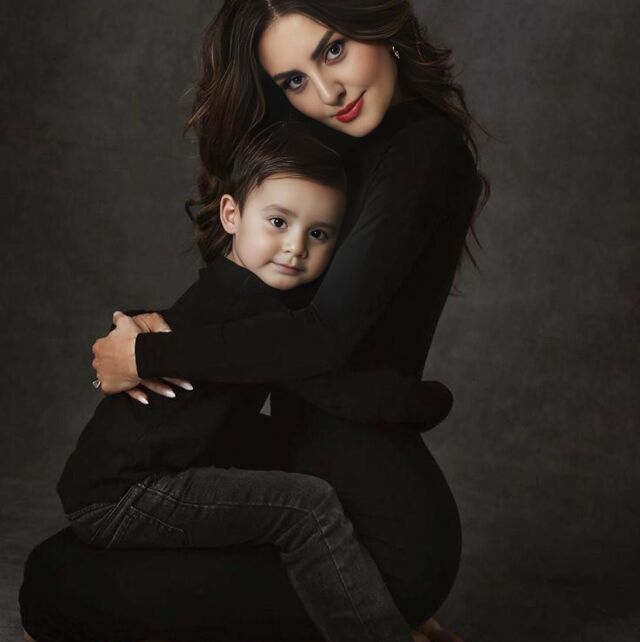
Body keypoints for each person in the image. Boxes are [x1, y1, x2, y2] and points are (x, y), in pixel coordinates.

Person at [20, 2, 489, 641]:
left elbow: (321, 338)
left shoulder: (423, 150)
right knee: (61, 566)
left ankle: (379, 610)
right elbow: (257, 315)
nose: (328, 91)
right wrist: (146, 333)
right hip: (316, 487)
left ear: (376, 23)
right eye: (294, 79)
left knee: (59, 587)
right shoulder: (331, 149)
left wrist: (148, 356)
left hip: (382, 528)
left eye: (333, 50)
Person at [55, 120, 453, 642]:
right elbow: (335, 388)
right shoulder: (251, 307)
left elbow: (194, 332)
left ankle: (378, 613)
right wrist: (429, 400)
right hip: (124, 495)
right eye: (278, 222)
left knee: (287, 472)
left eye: (318, 234)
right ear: (231, 214)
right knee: (305, 506)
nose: (295, 247)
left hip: (128, 480)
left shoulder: (236, 287)